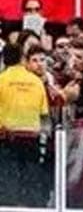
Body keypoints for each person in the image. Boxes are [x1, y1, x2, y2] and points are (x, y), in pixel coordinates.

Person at [0, 45, 51, 207]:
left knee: (8, 179)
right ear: (22, 59)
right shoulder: (36, 82)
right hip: (31, 137)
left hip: (7, 137)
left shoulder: (1, 80)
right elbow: (44, 114)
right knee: (30, 177)